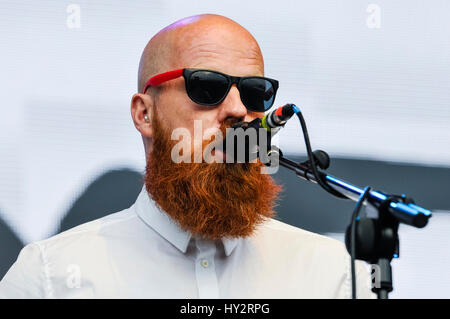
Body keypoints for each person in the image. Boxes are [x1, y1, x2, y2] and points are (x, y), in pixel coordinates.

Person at [0, 14, 375, 298]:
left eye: (255, 93)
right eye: (207, 86)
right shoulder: (49, 276)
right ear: (144, 113)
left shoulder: (335, 276)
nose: (237, 110)